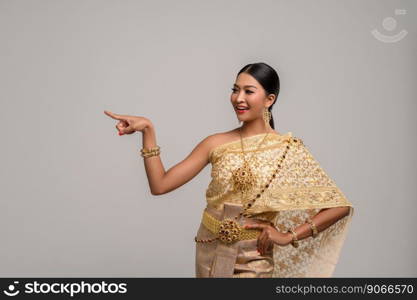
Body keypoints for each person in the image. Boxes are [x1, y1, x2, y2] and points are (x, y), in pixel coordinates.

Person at [104, 62, 354, 278]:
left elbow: (339, 206)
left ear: (269, 99)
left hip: (254, 256)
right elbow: (160, 185)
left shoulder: (287, 148)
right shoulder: (215, 143)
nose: (238, 98)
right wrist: (148, 130)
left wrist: (289, 236)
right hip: (209, 251)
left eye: (248, 91)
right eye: (235, 90)